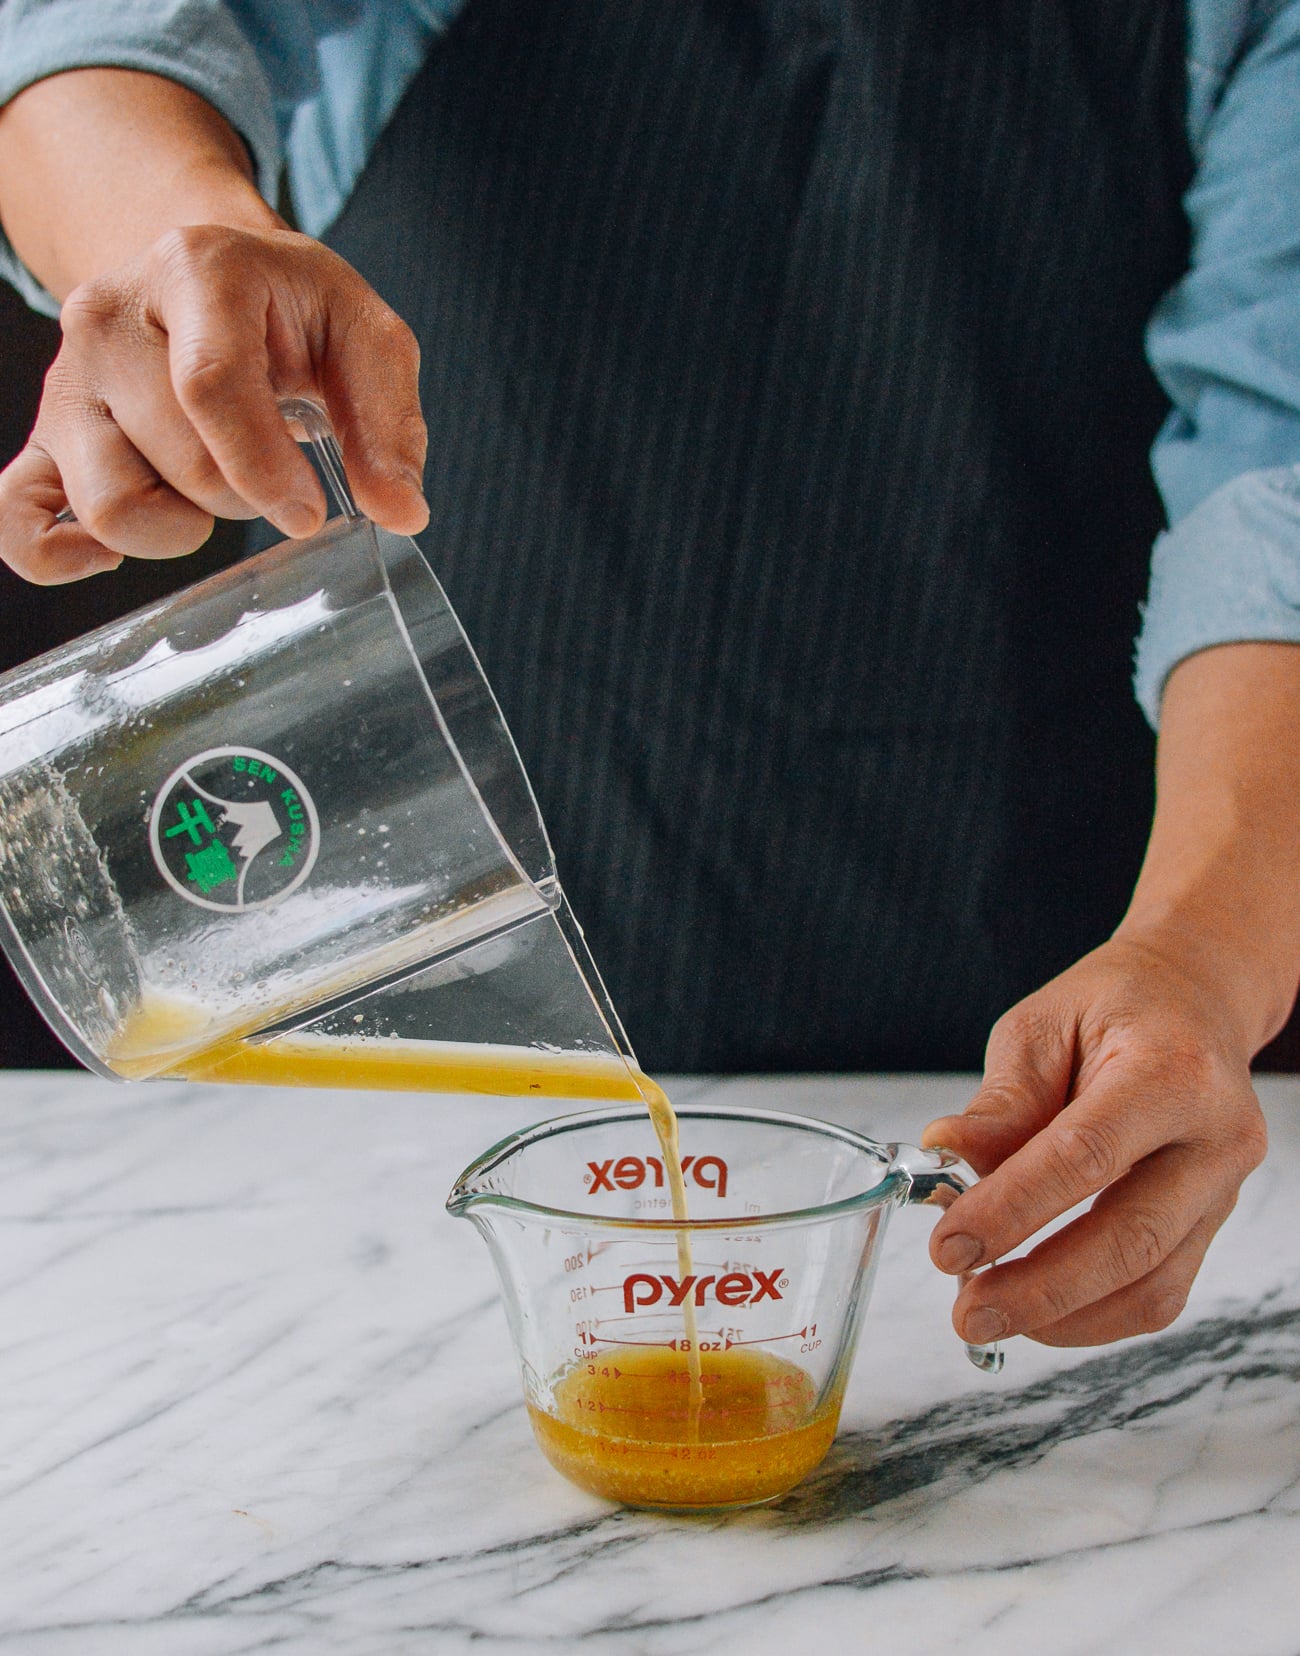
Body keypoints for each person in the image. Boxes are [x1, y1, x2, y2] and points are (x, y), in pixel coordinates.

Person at [0, 0, 1298, 1357]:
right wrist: (173, 244)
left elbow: (1276, 487)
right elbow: (86, 30)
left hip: (983, 1079)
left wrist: (1198, 961)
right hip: (345, 1064)